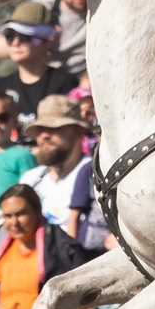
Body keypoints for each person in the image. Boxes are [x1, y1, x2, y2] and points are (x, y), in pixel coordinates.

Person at [13, 96, 98, 243]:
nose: (44, 136)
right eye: (39, 129)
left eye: (54, 128)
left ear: (78, 132)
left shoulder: (95, 176)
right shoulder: (30, 180)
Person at [0, 2, 70, 114]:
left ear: (46, 42)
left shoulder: (63, 84)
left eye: (24, 37)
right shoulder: (1, 86)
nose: (15, 43)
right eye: (9, 36)